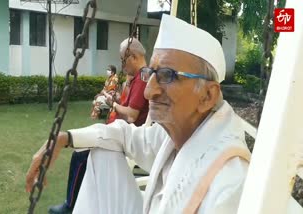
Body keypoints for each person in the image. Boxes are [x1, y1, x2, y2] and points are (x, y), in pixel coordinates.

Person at [27, 14, 251, 214]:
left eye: (167, 75)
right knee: (102, 152)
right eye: (151, 74)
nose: (149, 91)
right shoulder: (177, 132)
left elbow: (131, 117)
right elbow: (125, 135)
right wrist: (64, 138)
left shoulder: (230, 184)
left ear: (208, 96)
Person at [47, 38, 149, 214]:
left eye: (123, 60)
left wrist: (113, 105)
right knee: (84, 151)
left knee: (81, 154)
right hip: (119, 131)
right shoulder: (138, 78)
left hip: (128, 137)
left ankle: (70, 206)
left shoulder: (142, 77)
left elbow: (132, 115)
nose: (122, 65)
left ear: (133, 56)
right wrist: (114, 99)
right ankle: (79, 204)